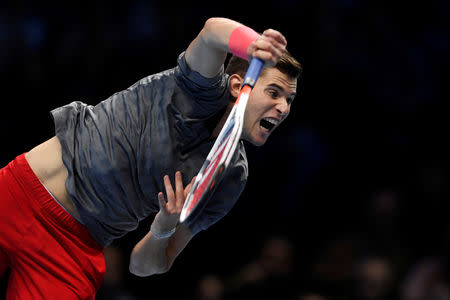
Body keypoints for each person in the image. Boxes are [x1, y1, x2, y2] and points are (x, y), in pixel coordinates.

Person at [0, 17, 302, 299]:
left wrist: (163, 226)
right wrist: (252, 43)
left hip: (73, 250)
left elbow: (143, 265)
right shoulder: (199, 90)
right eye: (274, 93)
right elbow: (212, 32)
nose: (283, 108)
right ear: (239, 85)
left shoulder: (230, 175)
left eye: (289, 100)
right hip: (18, 197)